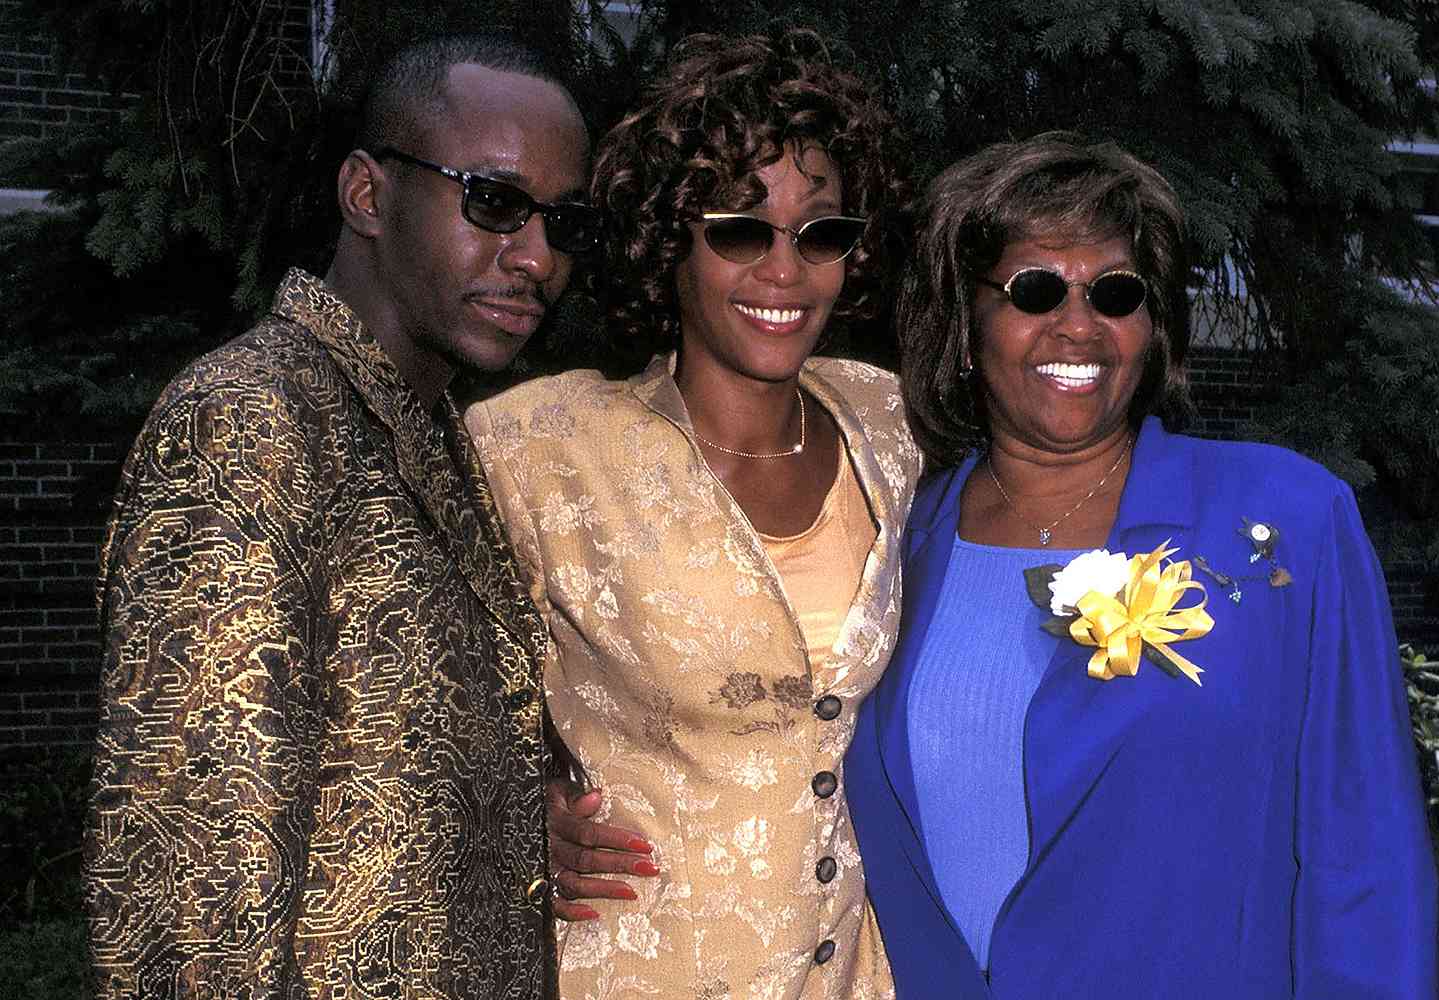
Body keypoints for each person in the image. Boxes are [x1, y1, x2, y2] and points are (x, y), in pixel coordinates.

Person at [843, 133, 1438, 998]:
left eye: (1116, 293)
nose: (1079, 324)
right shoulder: (888, 537)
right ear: (965, 329)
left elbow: (1367, 863)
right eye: (1036, 288)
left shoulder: (1286, 526)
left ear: (1151, 330)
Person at [83, 33, 600, 999]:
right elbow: (192, 905)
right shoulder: (249, 423)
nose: (536, 257)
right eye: (493, 202)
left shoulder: (431, 431)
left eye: (562, 223)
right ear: (367, 195)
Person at [465, 29, 919, 1000]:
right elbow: (374, 711)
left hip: (848, 976)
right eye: (741, 227)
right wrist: (503, 810)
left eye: (822, 232)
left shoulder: (885, 424)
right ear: (672, 237)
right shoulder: (542, 447)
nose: (785, 270)